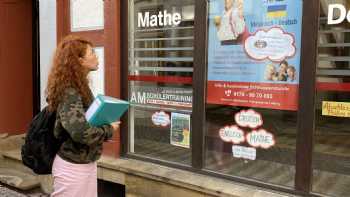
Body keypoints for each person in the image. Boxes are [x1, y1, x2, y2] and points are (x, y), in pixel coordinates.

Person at [46, 35, 120, 197]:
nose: (97, 56)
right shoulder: (70, 91)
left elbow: (84, 121)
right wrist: (108, 129)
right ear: (79, 60)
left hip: (84, 163)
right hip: (73, 167)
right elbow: (80, 131)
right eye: (92, 52)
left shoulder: (80, 86)